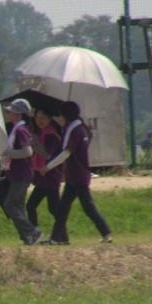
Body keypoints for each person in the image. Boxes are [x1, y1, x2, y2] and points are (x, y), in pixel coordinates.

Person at [41, 100, 112, 245]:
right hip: (74, 176)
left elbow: (66, 153)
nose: (59, 118)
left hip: (78, 176)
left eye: (61, 115)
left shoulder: (75, 131)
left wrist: (48, 167)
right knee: (63, 209)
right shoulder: (79, 128)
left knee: (87, 206)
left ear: (66, 116)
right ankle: (57, 238)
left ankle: (106, 233)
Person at [2, 98, 42, 245]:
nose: (8, 114)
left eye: (11, 112)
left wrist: (6, 152)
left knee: (10, 205)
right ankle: (27, 237)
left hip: (21, 173)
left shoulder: (20, 130)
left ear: (18, 114)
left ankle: (32, 232)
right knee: (18, 206)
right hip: (18, 173)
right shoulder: (18, 129)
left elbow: (27, 151)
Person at [26, 107, 62, 235]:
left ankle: (62, 235)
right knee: (31, 206)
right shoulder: (42, 134)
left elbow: (47, 155)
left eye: (43, 118)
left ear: (49, 119)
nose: (39, 121)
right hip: (42, 178)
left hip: (51, 177)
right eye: (37, 118)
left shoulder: (51, 135)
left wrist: (35, 143)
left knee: (54, 208)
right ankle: (35, 233)